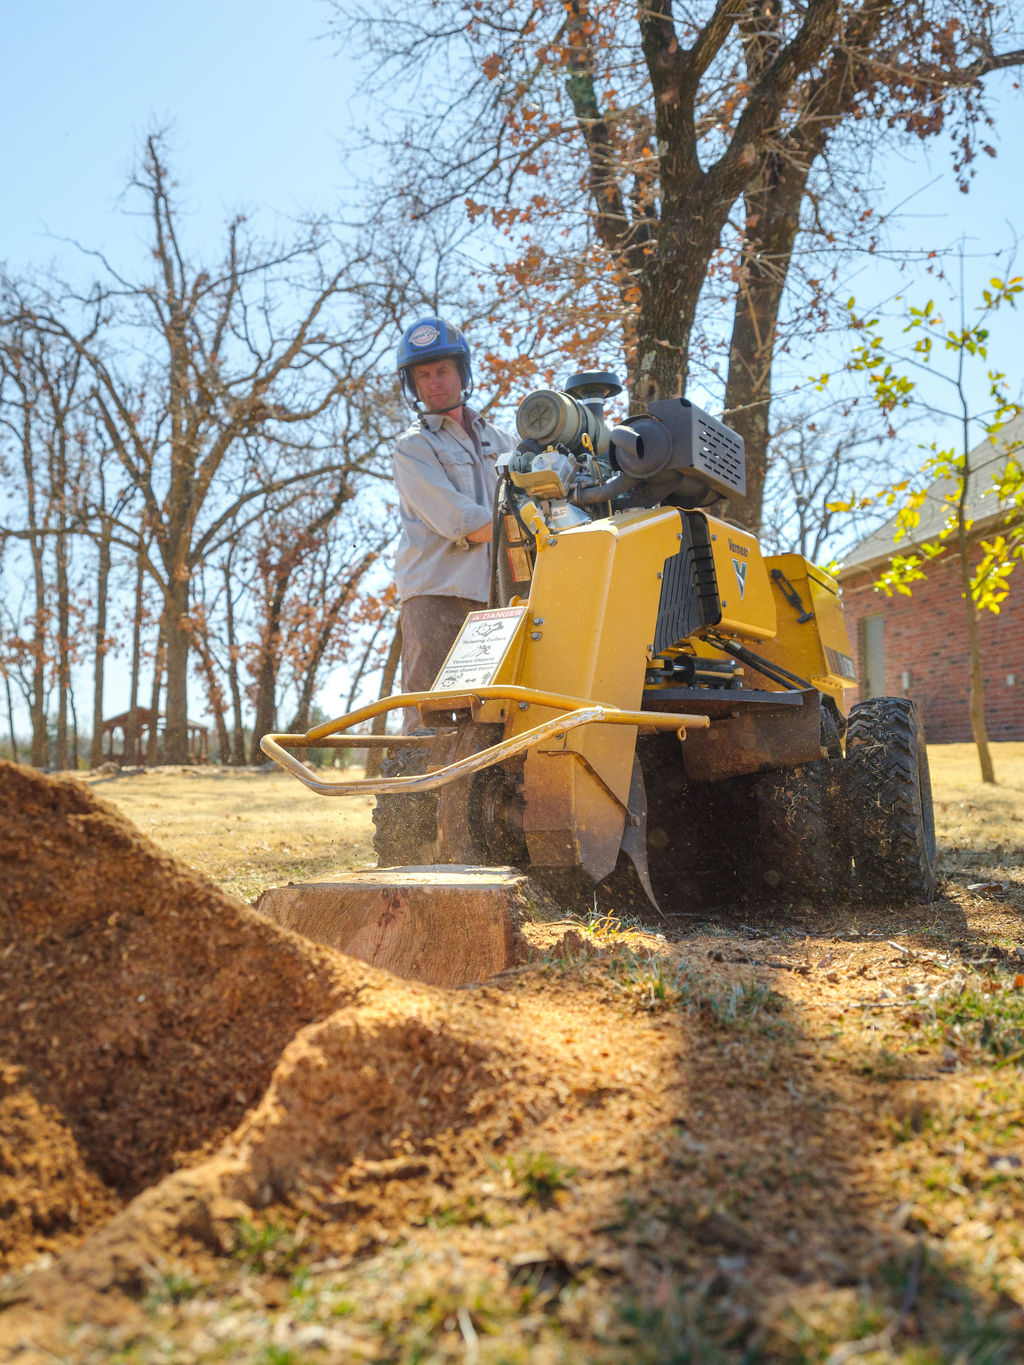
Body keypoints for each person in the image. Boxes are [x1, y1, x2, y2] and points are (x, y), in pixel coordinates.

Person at [392, 316, 516, 723]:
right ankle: (416, 790)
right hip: (436, 599)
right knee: (431, 718)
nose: (434, 382)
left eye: (442, 371)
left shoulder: (503, 442)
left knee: (492, 717)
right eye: (423, 375)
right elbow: (462, 521)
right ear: (412, 384)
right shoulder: (413, 448)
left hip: (496, 601)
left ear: (462, 373)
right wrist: (531, 528)